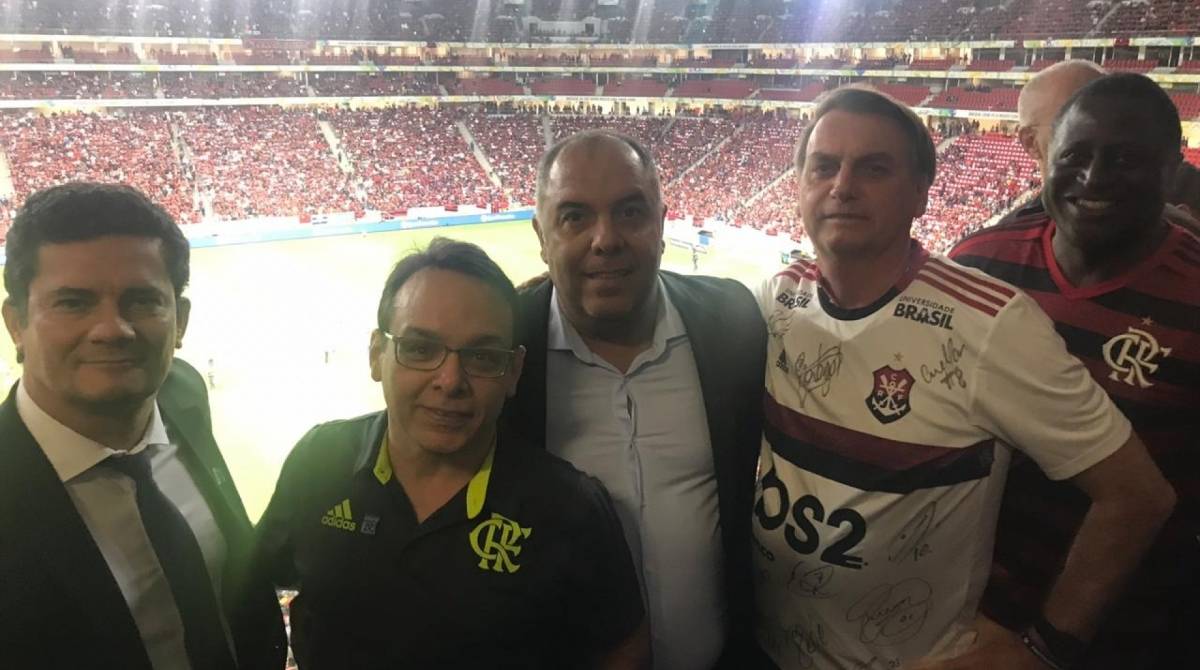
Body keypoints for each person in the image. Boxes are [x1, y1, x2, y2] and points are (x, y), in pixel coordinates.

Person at [753, 86, 1175, 670]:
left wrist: (1044, 648)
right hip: (766, 646)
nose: (842, 186)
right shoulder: (776, 299)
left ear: (920, 194)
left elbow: (1137, 495)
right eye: (824, 166)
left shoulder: (992, 324)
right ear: (799, 182)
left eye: (874, 168)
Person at [252, 238, 648, 669]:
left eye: (482, 356)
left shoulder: (570, 507)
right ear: (377, 355)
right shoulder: (318, 459)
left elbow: (623, 649)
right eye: (420, 349)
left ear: (513, 371)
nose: (450, 381)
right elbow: (253, 585)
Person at [951, 73, 1199, 668]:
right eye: (1075, 156)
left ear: (1172, 171)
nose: (1093, 178)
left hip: (1125, 634)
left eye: (1125, 159)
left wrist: (1047, 647)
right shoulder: (977, 263)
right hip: (964, 617)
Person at [504, 129, 767, 668]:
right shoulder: (505, 346)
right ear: (541, 235)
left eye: (630, 212)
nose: (606, 239)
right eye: (574, 216)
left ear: (662, 224)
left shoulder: (733, 321)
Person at [0, 182, 285, 669]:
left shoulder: (184, 396)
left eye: (142, 301)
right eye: (73, 302)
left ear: (180, 321)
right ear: (16, 324)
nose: (112, 329)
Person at [1003, 58, 1199, 236]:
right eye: (1074, 119)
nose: (1103, 127)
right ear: (1030, 142)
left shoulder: (1185, 185)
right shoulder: (1003, 245)